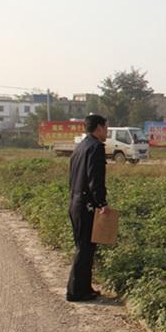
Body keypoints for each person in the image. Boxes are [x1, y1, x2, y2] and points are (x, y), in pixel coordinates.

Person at [66, 114, 110, 302]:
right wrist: (102, 203)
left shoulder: (81, 147)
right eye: (106, 128)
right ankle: (75, 291)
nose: (107, 132)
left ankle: (85, 287)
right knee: (85, 249)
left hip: (76, 201)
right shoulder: (95, 148)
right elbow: (95, 179)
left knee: (84, 247)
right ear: (98, 128)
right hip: (87, 205)